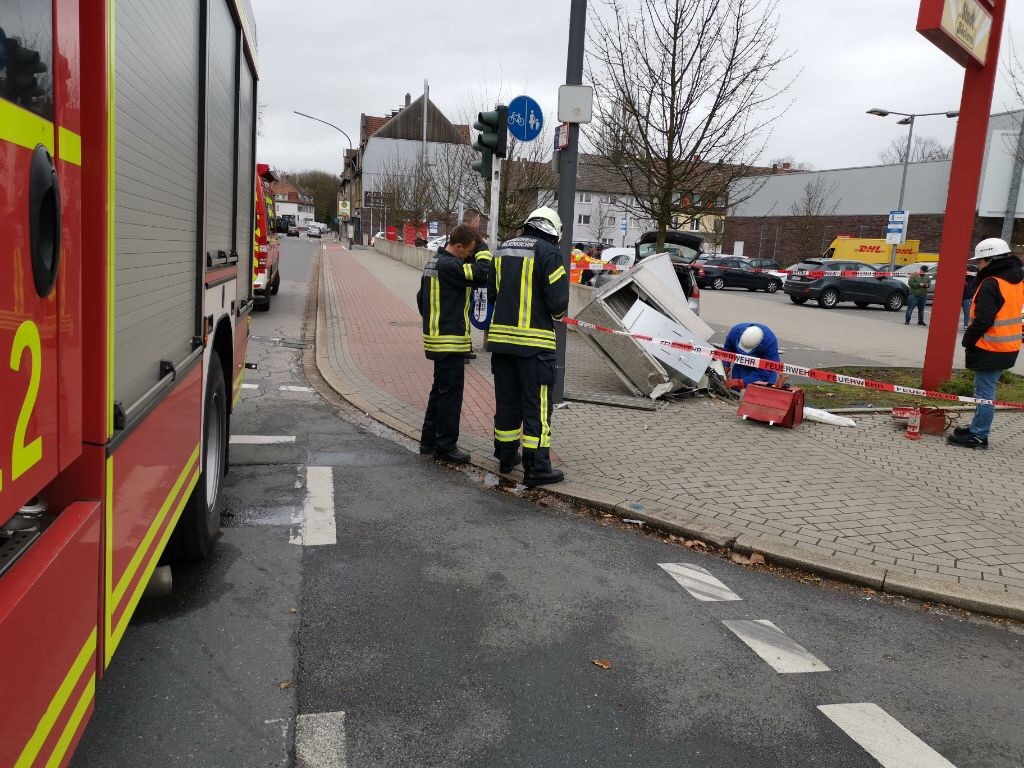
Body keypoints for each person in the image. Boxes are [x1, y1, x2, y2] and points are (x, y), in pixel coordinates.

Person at [487, 206, 570, 486]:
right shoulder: (549, 253)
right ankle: (537, 466)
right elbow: (558, 303)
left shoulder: (502, 249)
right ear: (553, 231)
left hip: (502, 345)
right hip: (535, 348)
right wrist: (557, 316)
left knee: (507, 403)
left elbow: (491, 293)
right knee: (537, 407)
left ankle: (507, 456)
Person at [416, 226, 493, 463]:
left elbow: (421, 299)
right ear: (458, 246)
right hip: (449, 340)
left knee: (439, 392)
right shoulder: (450, 266)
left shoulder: (433, 262)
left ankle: (428, 442)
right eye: (468, 251)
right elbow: (483, 273)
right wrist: (482, 247)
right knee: (450, 396)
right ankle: (445, 447)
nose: (469, 256)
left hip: (436, 338)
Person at [948, 238, 1024, 450]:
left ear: (991, 260)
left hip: (990, 347)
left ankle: (979, 436)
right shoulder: (1017, 280)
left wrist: (968, 340)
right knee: (985, 392)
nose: (978, 266)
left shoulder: (992, 283)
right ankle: (975, 428)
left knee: (984, 395)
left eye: (980, 262)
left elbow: (983, 319)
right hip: (1008, 346)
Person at [721, 323, 780, 390]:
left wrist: (743, 382)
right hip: (742, 364)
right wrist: (725, 364)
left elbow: (767, 370)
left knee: (763, 390)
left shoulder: (770, 342)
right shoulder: (735, 331)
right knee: (735, 387)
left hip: (762, 364)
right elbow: (728, 349)